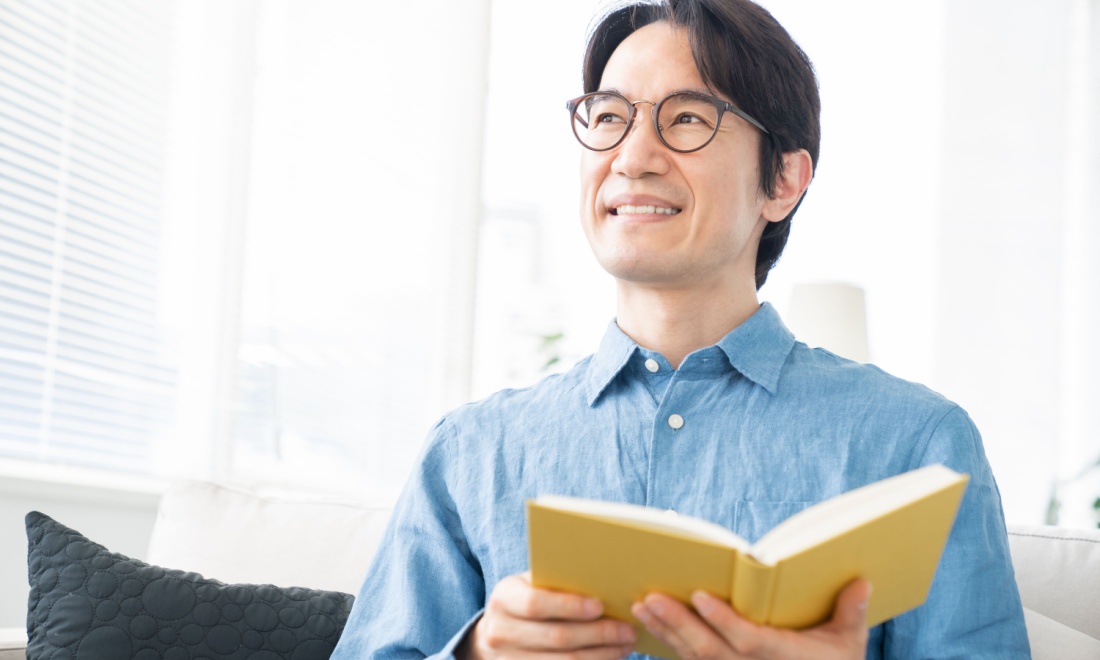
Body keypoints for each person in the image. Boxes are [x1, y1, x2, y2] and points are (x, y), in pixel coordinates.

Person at [331, 0, 1030, 658]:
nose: (632, 157)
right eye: (608, 117)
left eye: (688, 119)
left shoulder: (918, 449)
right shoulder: (470, 454)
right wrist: (478, 651)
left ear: (783, 181)